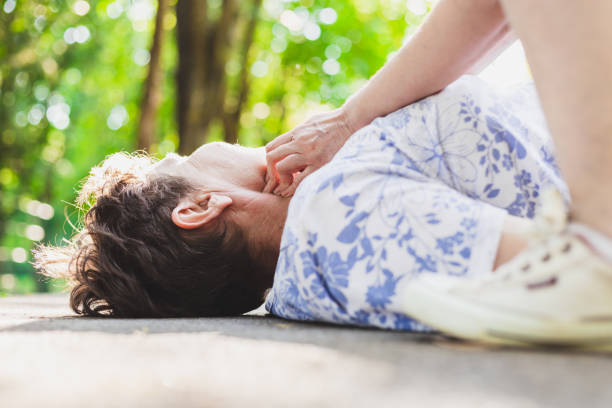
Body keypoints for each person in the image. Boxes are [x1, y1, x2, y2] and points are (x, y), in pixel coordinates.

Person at [36, 76, 575, 341]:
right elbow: (570, 269)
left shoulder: (300, 276)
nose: (188, 148)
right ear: (200, 206)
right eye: (178, 159)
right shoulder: (332, 214)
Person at [264, 0, 612, 343]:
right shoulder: (326, 205)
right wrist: (348, 120)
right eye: (264, 160)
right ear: (208, 204)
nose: (289, 148)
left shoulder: (305, 274)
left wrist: (351, 119)